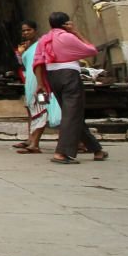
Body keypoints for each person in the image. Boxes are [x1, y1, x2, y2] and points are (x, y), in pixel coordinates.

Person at [33, 12, 106, 164]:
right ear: (66, 23)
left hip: (52, 77)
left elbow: (38, 62)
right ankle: (62, 153)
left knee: (73, 114)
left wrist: (40, 83)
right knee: (71, 114)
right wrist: (75, 32)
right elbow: (91, 50)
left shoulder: (44, 40)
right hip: (69, 75)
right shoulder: (67, 37)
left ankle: (96, 149)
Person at [13, 20, 59, 154]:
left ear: (35, 30)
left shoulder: (41, 44)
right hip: (30, 83)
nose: (26, 33)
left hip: (40, 84)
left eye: (29, 30)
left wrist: (41, 83)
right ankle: (31, 139)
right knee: (32, 111)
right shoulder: (26, 47)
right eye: (23, 31)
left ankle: (34, 143)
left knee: (42, 111)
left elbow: (40, 64)